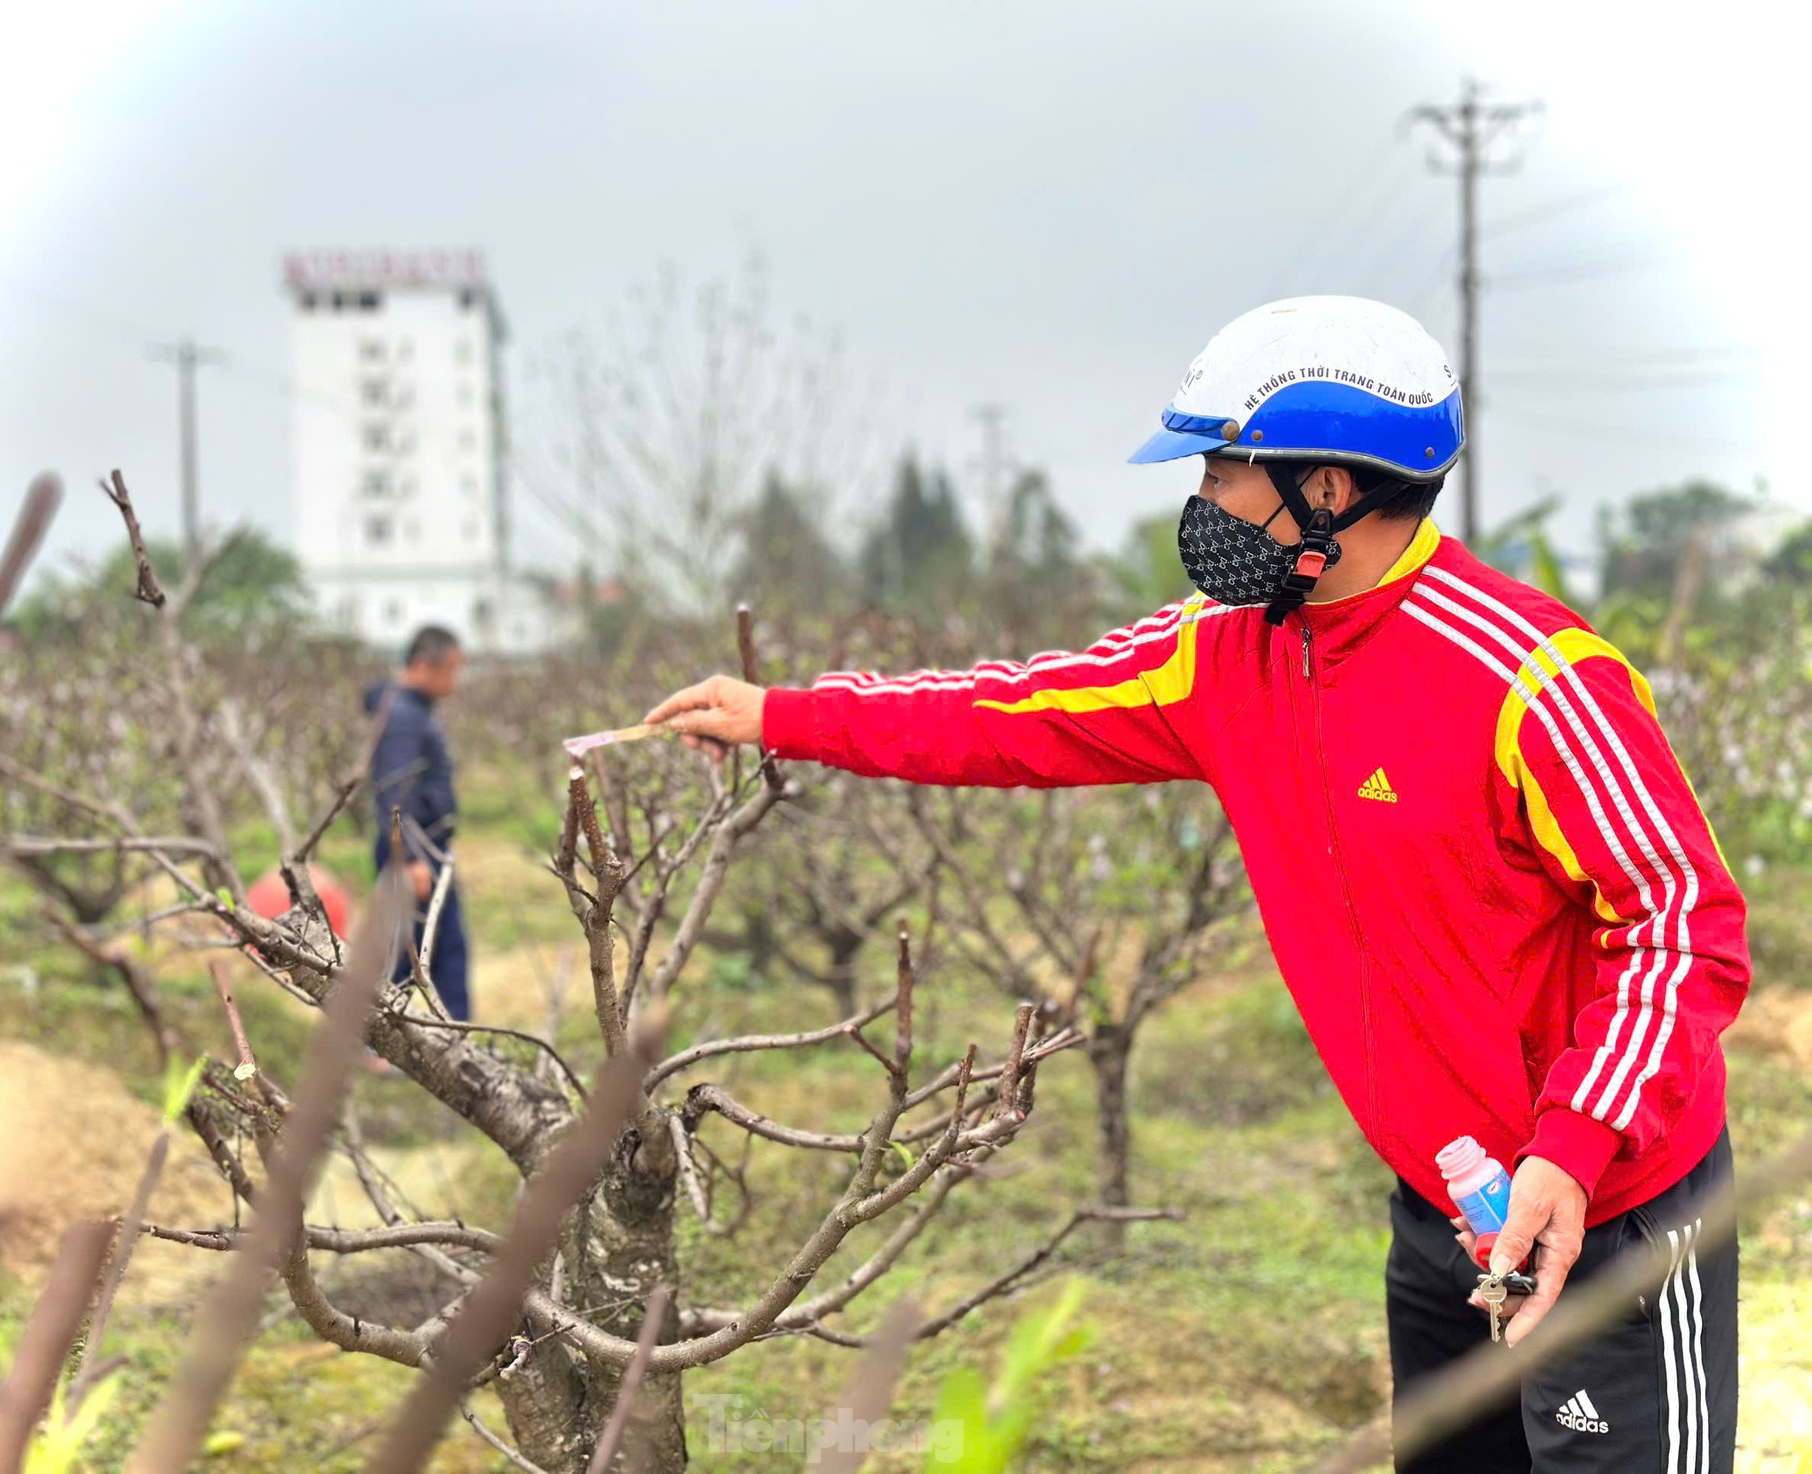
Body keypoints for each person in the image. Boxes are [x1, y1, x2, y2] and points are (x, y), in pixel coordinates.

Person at [644, 297, 1746, 1472]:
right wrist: (786, 716)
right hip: (1448, 1209)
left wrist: (1572, 1147)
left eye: (1225, 470)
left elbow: (1684, 926)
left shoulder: (1532, 679)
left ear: (1328, 489)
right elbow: (1014, 709)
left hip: (1612, 1209)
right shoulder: (1226, 653)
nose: (1201, 503)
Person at [365, 625, 470, 1023]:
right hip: (414, 850)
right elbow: (393, 791)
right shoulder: (404, 716)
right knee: (404, 949)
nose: (454, 681)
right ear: (424, 665)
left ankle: (450, 1035)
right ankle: (389, 1045)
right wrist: (407, 857)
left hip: (424, 847)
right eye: (451, 670)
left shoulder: (410, 710)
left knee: (441, 948)